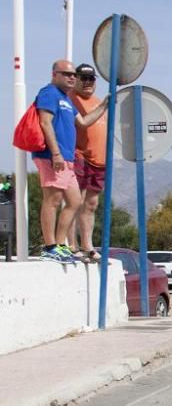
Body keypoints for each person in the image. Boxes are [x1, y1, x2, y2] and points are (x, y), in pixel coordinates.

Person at [32, 60, 108, 263]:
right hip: (52, 156)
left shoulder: (65, 98)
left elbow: (83, 121)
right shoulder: (49, 93)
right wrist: (55, 152)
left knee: (75, 201)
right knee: (53, 199)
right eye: (67, 74)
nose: (71, 77)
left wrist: (104, 105)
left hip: (67, 158)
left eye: (73, 74)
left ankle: (61, 245)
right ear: (54, 74)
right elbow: (45, 122)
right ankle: (50, 246)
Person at [68, 64, 107, 262]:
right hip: (80, 155)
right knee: (75, 201)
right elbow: (81, 122)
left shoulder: (99, 102)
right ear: (75, 79)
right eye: (83, 78)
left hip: (99, 161)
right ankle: (71, 245)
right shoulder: (71, 99)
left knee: (91, 204)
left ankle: (88, 245)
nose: (87, 82)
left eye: (91, 78)